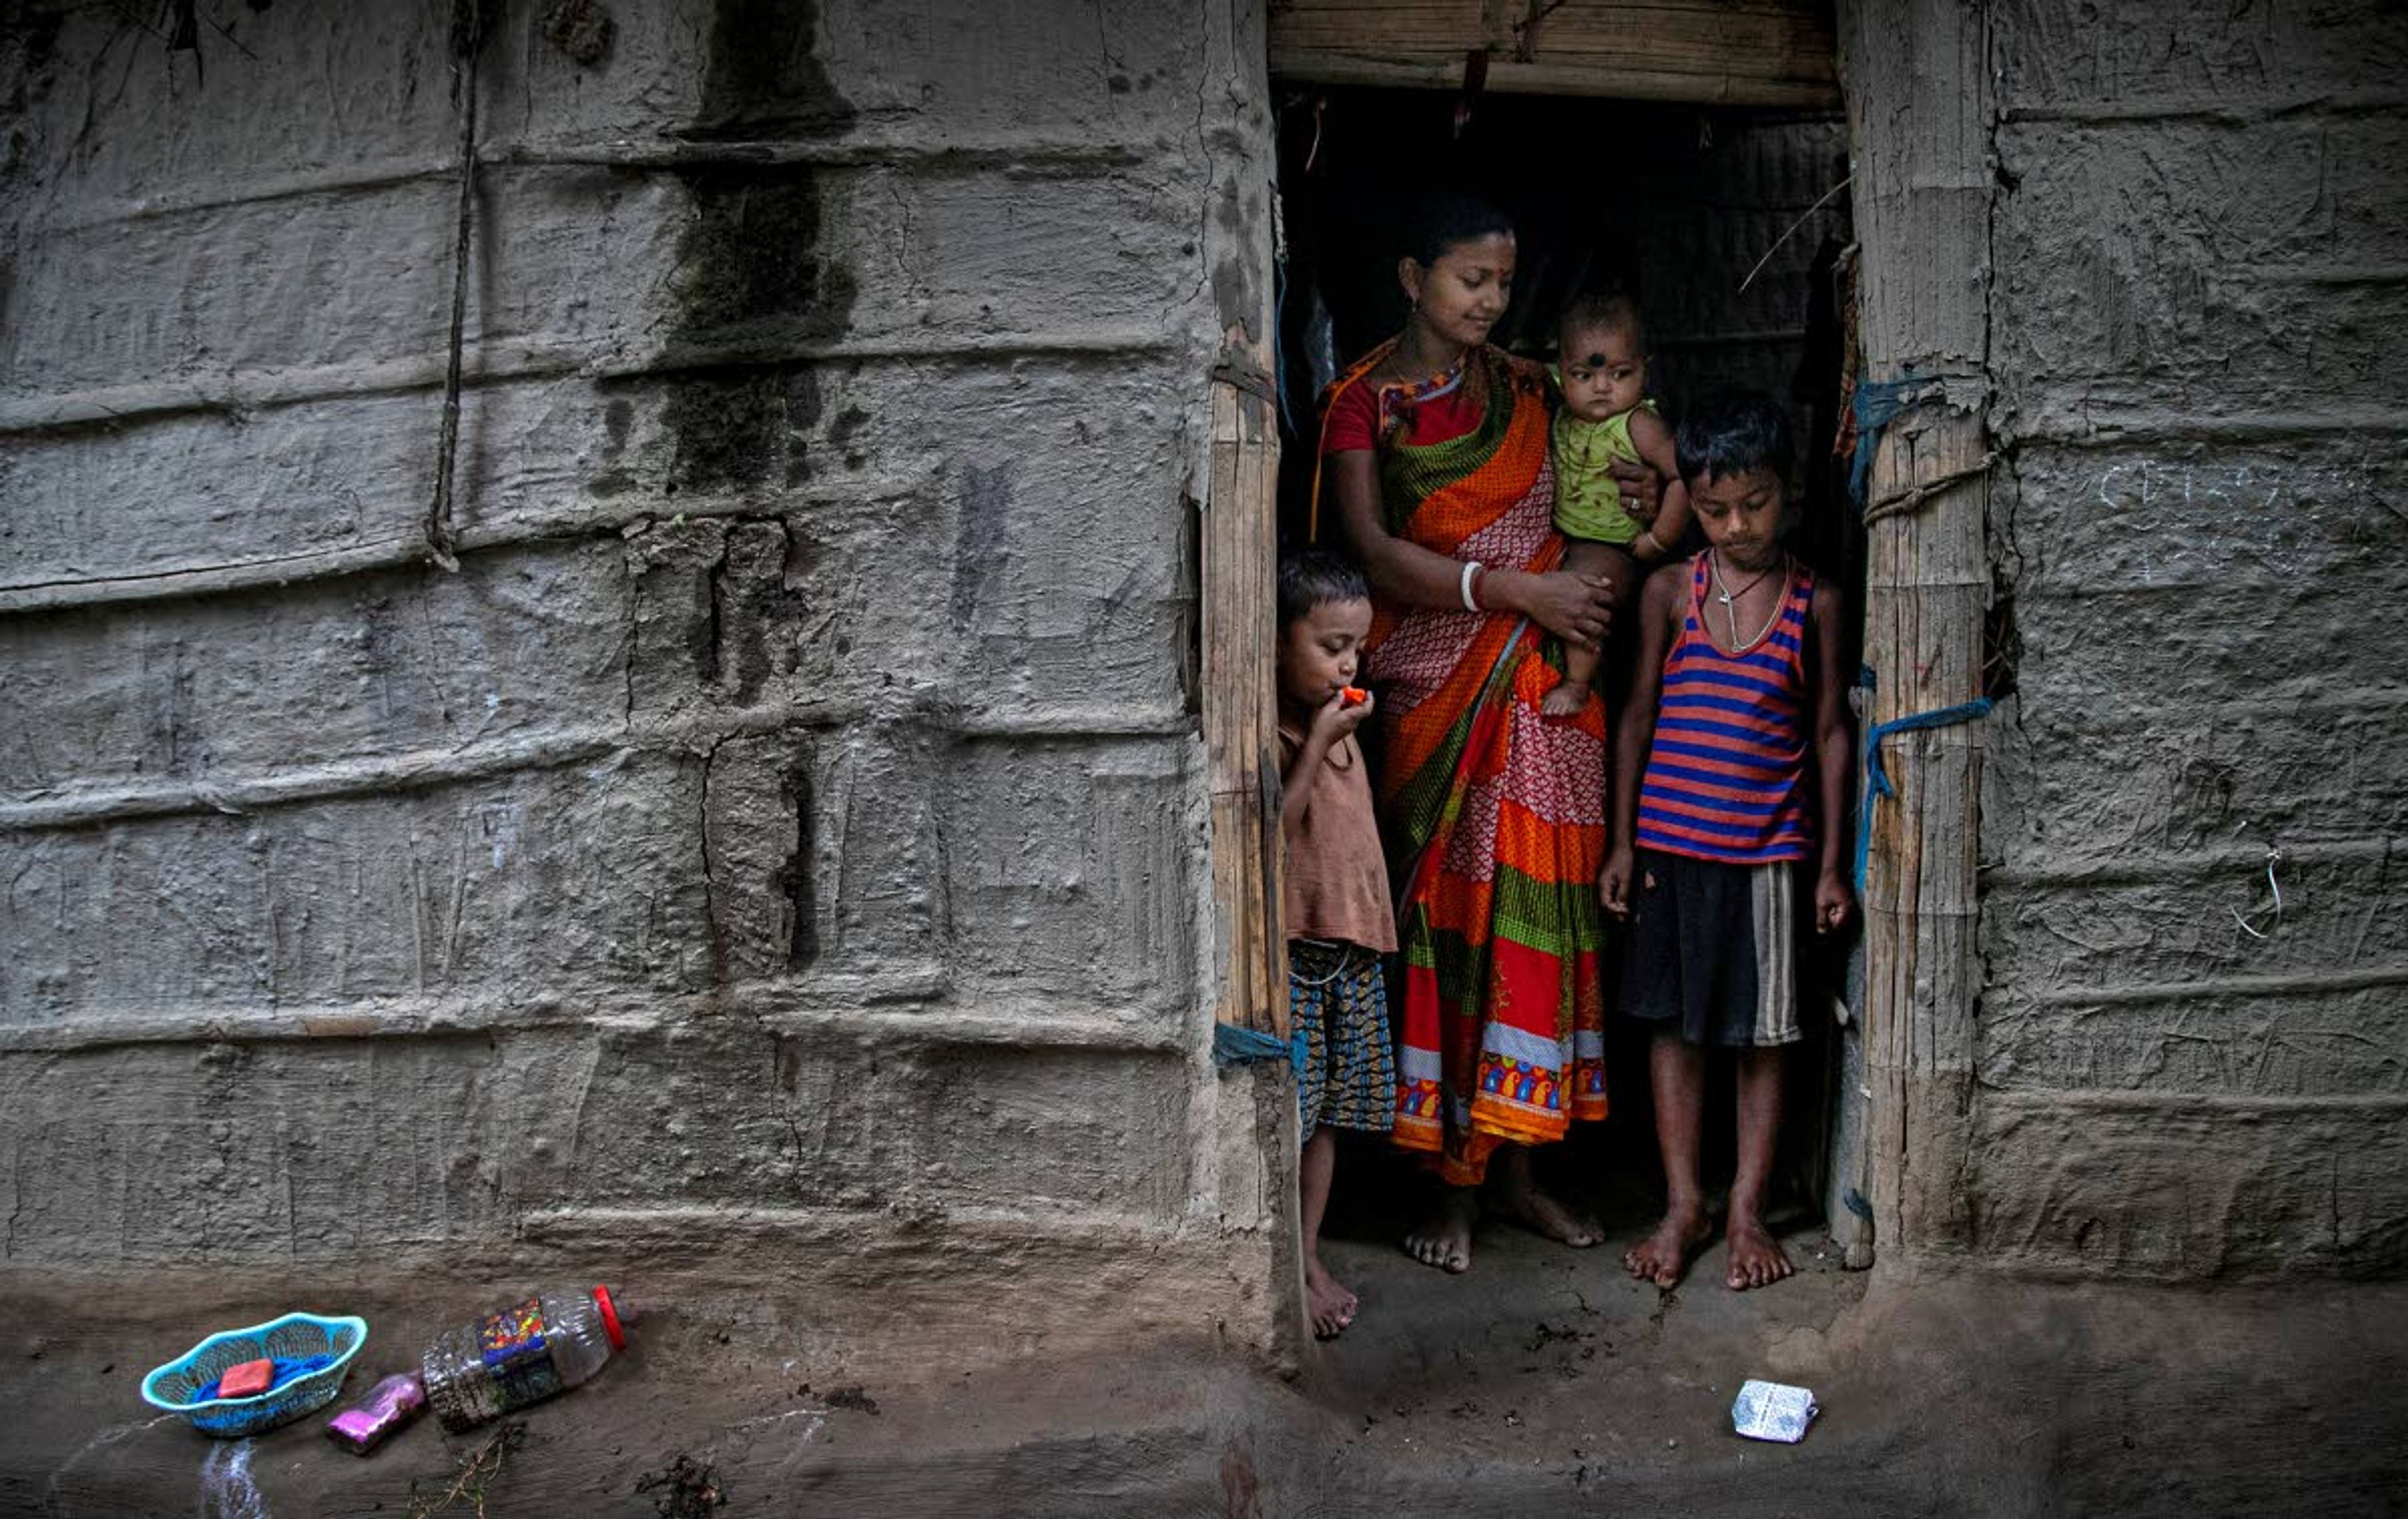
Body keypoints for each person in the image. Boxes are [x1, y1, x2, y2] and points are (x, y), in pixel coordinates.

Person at [1315, 191, 1661, 1274]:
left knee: (1540, 921)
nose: (1491, 300)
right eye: (1472, 279)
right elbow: (1370, 553)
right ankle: (1445, 1183)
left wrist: (1644, 490)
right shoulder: (1363, 405)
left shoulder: (1531, 386)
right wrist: (1513, 589)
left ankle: (1517, 1170)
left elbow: (1608, 473)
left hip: (1548, 700)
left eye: (1505, 282)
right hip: (1436, 693)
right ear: (1414, 277)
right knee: (1450, 925)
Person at [1598, 388, 1854, 1292]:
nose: (1737, 525)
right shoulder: (1671, 591)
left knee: (1765, 1032)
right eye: (1714, 509)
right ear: (1691, 503)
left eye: (1756, 503)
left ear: (1789, 494)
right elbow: (1634, 717)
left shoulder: (1813, 601)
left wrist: (1827, 862)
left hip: (1769, 858)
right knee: (1674, 1030)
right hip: (1671, 850)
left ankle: (1745, 1205)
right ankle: (1683, 1202)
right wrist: (1622, 842)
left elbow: (1829, 732)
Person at [1274, 548, 1395, 1339]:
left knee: (1327, 1122)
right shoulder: (1283, 729)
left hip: (1350, 952)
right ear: (1278, 642)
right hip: (1298, 951)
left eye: (1355, 646)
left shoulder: (1343, 726)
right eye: (1329, 646)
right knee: (1288, 1113)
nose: (1348, 662)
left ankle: (1310, 1252)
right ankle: (1283, 1261)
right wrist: (1318, 740)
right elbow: (1272, 832)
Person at [1539, 294, 1692, 720]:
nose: (1602, 387)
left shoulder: (1638, 425)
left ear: (1644, 368)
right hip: (1564, 536)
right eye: (1583, 374)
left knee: (1584, 593)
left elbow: (1685, 477)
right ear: (1560, 373)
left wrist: (1658, 539)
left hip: (1610, 544)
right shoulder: (1560, 416)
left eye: (1620, 373)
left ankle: (1577, 683)